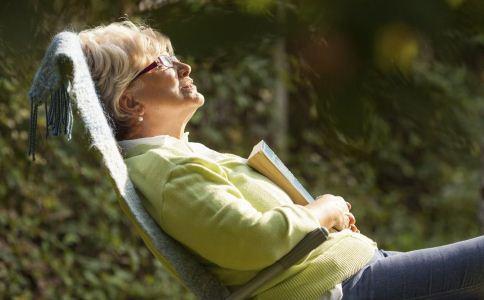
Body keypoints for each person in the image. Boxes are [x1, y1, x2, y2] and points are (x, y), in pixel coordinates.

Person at [78, 20, 484, 300]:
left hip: (354, 272)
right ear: (130, 102)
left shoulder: (176, 155)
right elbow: (251, 240)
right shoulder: (165, 170)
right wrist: (323, 209)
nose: (183, 66)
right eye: (161, 62)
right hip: (346, 287)